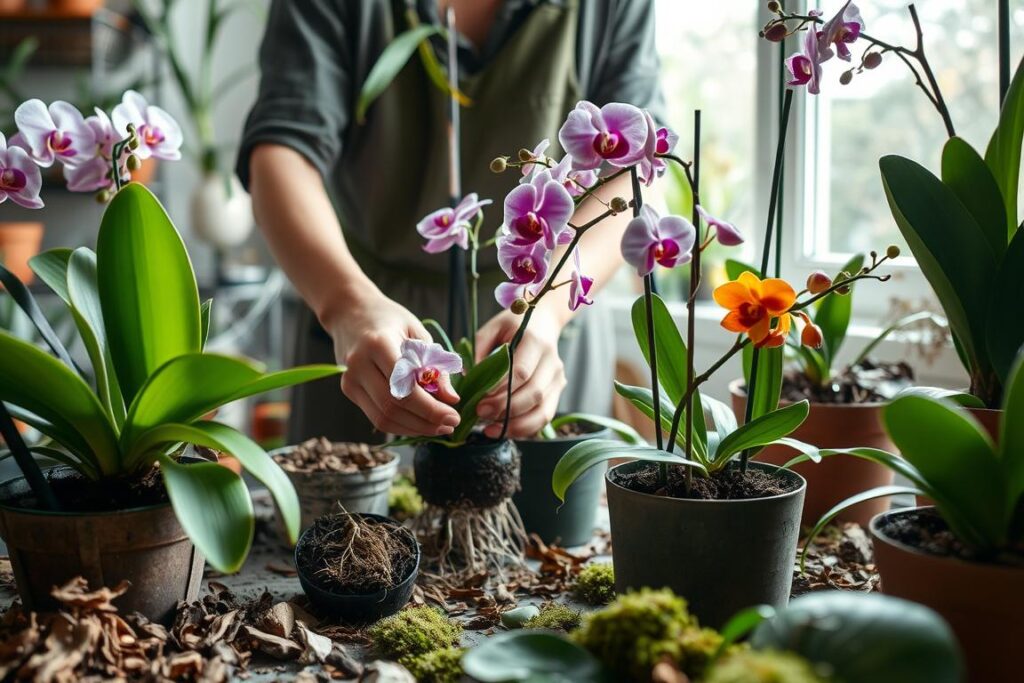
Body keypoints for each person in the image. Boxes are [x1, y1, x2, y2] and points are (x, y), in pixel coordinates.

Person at [237, 0, 664, 444]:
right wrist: (347, 305)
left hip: (547, 330)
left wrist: (547, 305)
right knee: (353, 511)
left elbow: (639, 175)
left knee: (551, 505)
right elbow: (281, 151)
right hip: (364, 333)